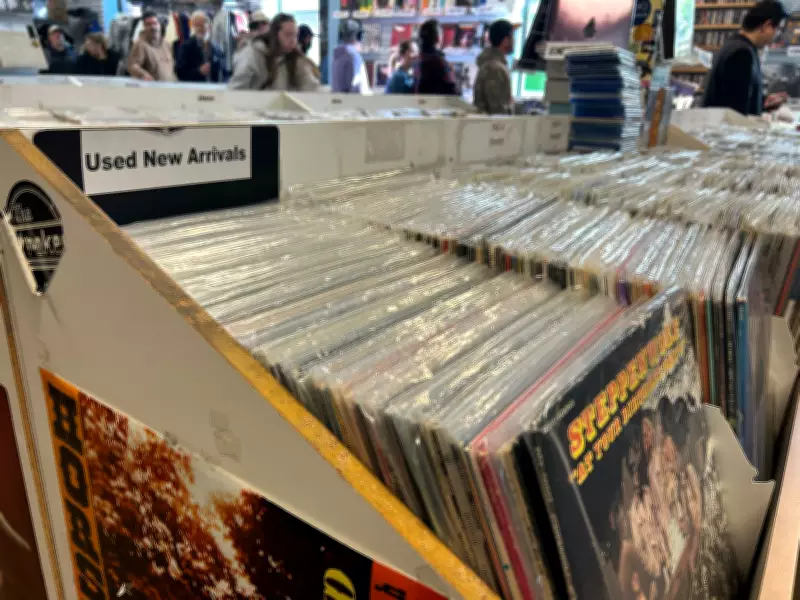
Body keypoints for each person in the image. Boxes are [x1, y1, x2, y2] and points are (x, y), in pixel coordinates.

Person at [702, 0, 789, 115]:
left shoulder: (737, 45)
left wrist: (763, 102)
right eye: (777, 30)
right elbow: (737, 111)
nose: (776, 36)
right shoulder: (742, 53)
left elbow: (736, 96)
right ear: (767, 25)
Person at [228, 13, 319, 91]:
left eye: (295, 36)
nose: (293, 41)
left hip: (283, 110)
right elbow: (236, 90)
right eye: (288, 35)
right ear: (275, 35)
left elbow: (311, 86)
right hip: (253, 109)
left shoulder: (295, 58)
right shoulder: (252, 55)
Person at [473, 19, 514, 114]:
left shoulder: (493, 65)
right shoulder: (495, 69)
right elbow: (497, 110)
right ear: (506, 41)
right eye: (512, 37)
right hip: (492, 127)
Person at [127, 10, 176, 81]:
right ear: (144, 26)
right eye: (148, 24)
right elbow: (133, 66)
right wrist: (143, 74)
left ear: (160, 25)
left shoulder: (166, 44)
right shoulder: (140, 44)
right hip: (152, 89)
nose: (152, 27)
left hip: (169, 87)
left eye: (155, 23)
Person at [176, 11, 223, 82]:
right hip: (195, 90)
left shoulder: (216, 47)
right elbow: (180, 73)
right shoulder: (186, 47)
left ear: (210, 25)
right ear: (192, 26)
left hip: (215, 89)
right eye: (197, 25)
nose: (200, 28)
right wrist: (198, 71)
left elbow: (221, 71)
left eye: (203, 24)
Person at [415, 19, 458, 95]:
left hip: (420, 104)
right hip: (438, 105)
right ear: (438, 38)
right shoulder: (440, 63)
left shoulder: (418, 60)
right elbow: (454, 93)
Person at [332, 19, 368, 93]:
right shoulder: (354, 57)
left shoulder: (336, 55)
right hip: (352, 102)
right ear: (359, 36)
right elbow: (358, 88)